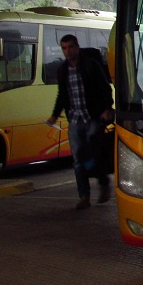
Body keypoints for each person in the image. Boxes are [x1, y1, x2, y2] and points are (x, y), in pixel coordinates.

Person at [47, 35, 114, 209]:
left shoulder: (91, 65)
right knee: (78, 159)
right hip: (75, 120)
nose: (67, 51)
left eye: (70, 47)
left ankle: (103, 182)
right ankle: (84, 196)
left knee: (93, 154)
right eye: (64, 48)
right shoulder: (62, 70)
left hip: (92, 117)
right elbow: (62, 95)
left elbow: (105, 88)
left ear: (77, 47)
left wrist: (107, 108)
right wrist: (55, 115)